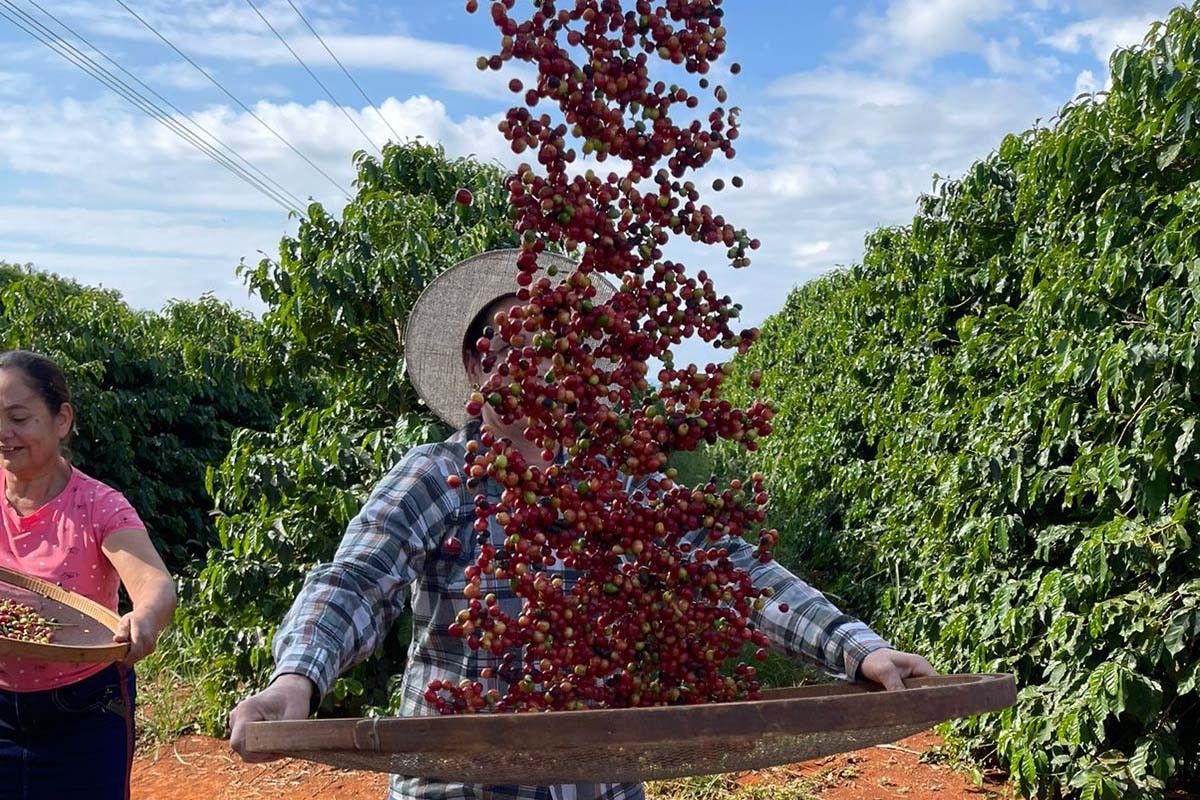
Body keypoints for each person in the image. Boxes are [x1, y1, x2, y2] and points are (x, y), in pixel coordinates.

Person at [229, 249, 936, 800]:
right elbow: (355, 582)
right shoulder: (438, 478)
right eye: (509, 348)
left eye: (554, 348)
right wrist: (297, 680)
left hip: (599, 779)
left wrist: (857, 648)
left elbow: (732, 571)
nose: (532, 366)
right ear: (479, 368)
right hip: (459, 782)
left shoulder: (618, 491)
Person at [0, 349, 178, 799]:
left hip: (84, 709)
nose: (4, 434)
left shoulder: (98, 505)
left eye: (18, 418)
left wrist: (145, 619)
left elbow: (154, 582)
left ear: (62, 420)